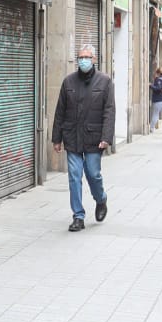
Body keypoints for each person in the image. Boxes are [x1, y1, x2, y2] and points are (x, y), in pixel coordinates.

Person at [51, 44, 115, 232]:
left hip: (95, 138)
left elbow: (109, 111)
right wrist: (57, 138)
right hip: (72, 137)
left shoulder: (104, 82)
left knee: (93, 174)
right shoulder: (68, 82)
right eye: (80, 57)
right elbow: (60, 111)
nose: (83, 60)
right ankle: (78, 215)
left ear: (94, 59)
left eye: (87, 57)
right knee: (74, 176)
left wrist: (106, 137)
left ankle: (100, 199)